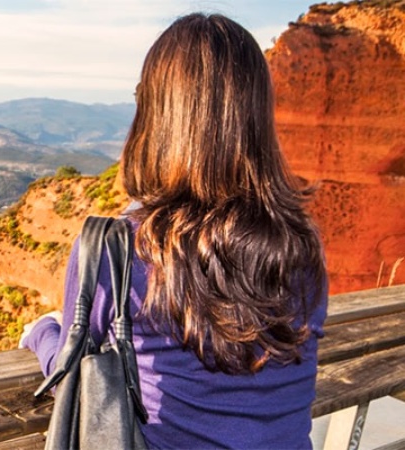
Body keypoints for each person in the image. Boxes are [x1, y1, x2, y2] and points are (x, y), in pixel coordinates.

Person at [21, 13, 328, 449]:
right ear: (257, 118)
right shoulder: (300, 245)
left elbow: (74, 379)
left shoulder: (119, 249)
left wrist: (41, 333)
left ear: (156, 114)